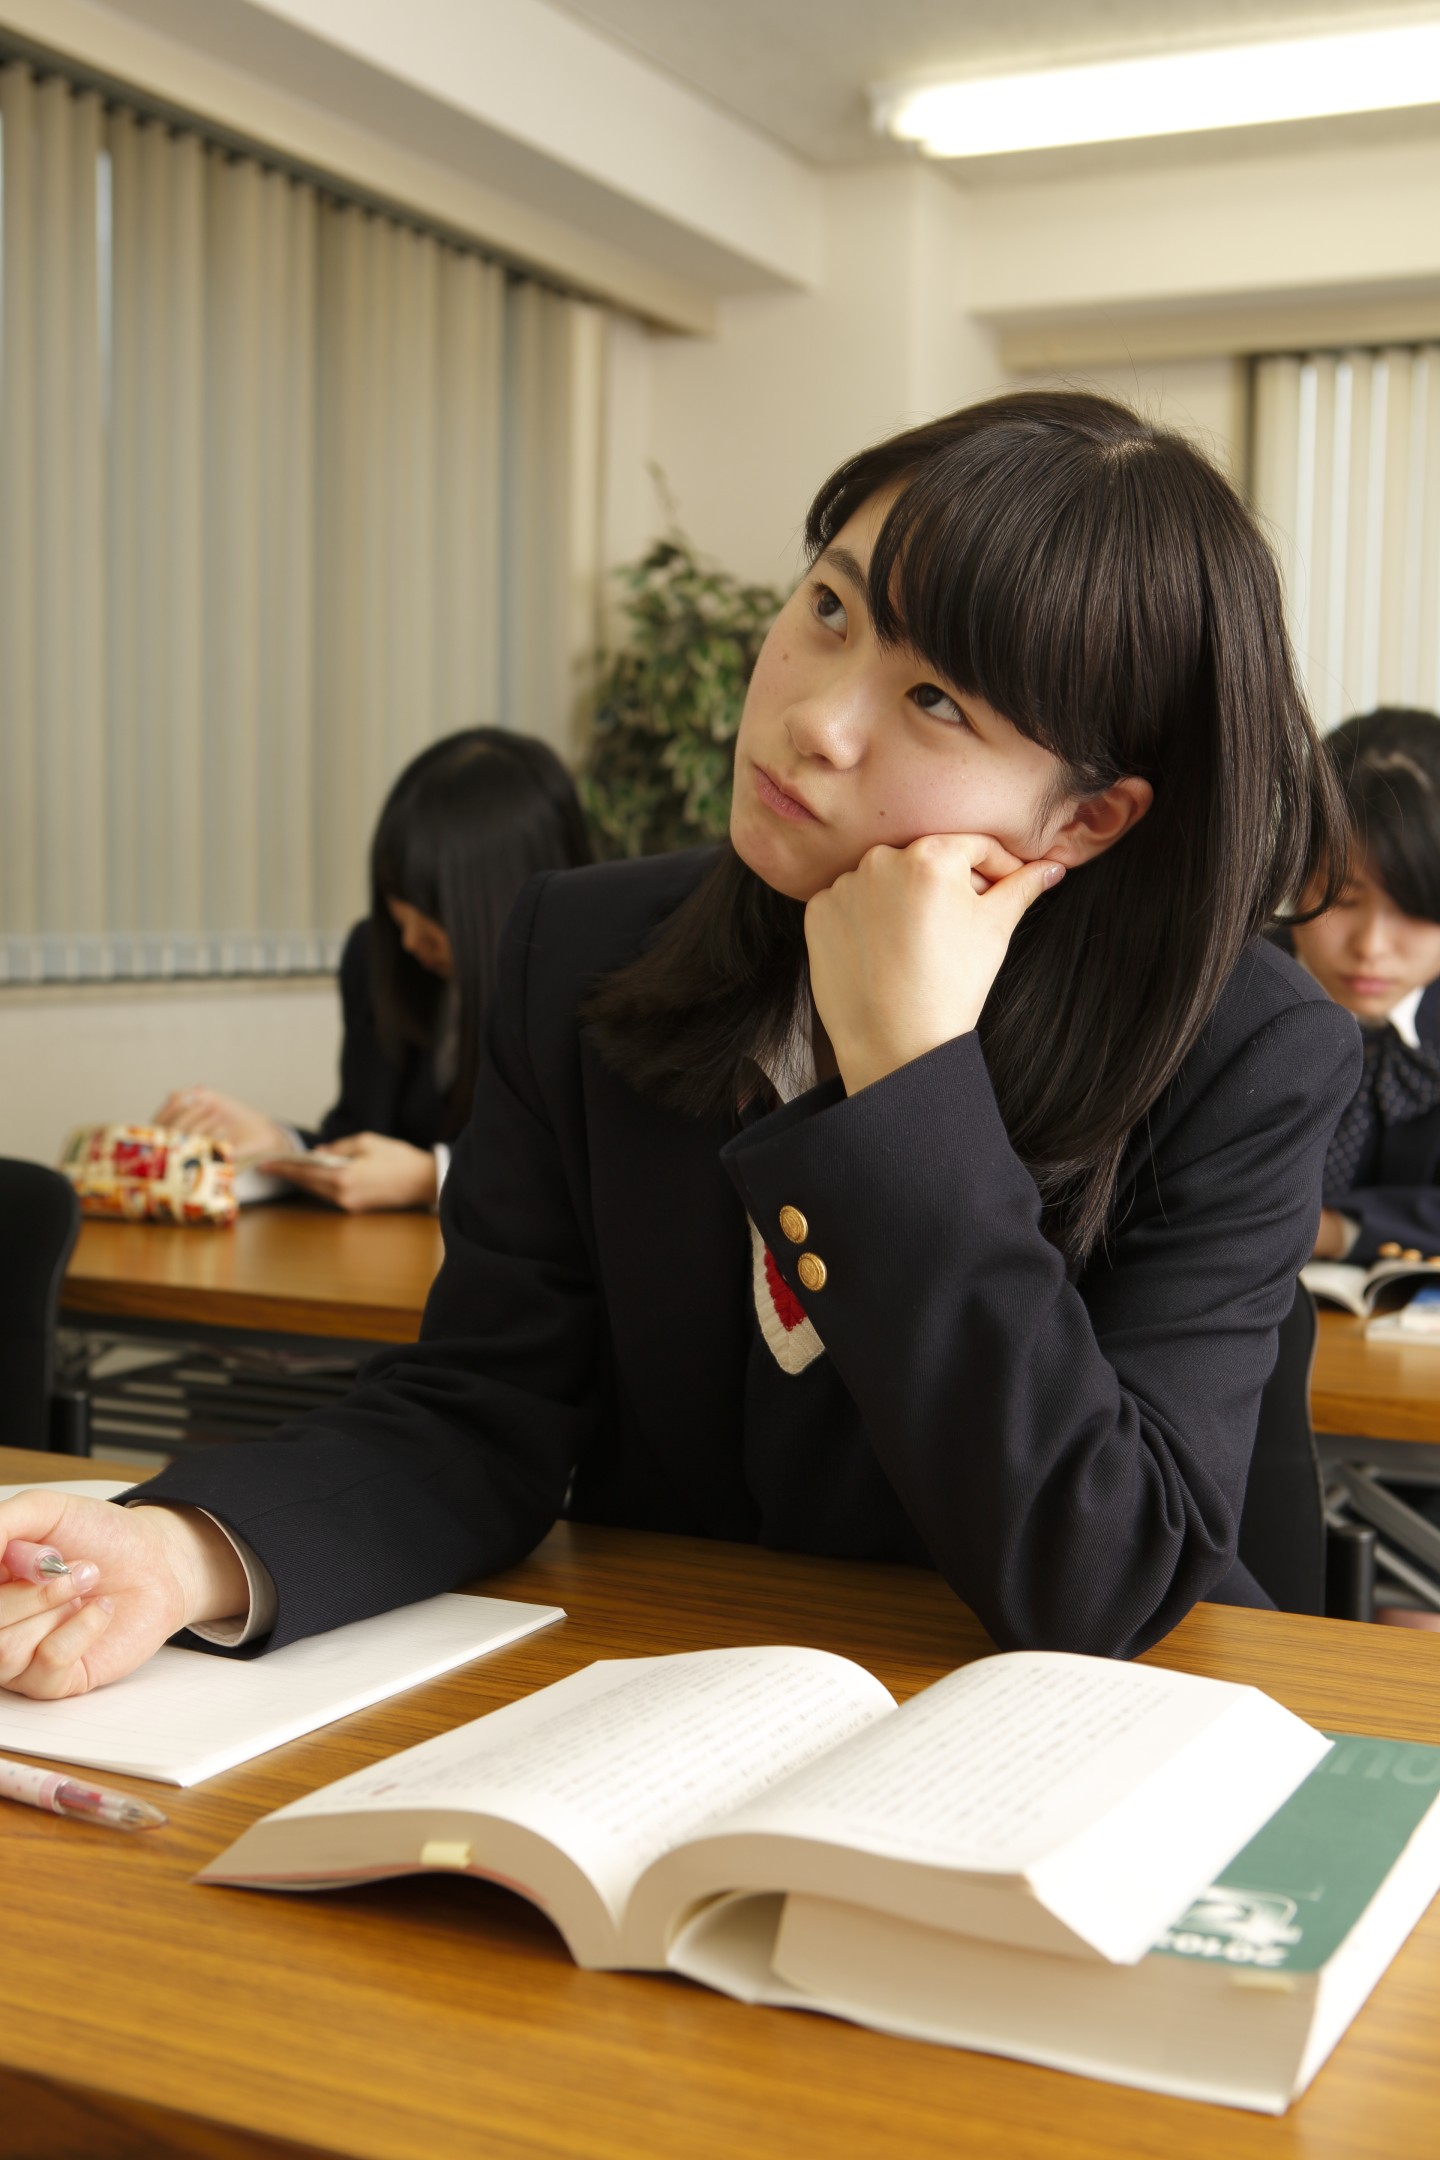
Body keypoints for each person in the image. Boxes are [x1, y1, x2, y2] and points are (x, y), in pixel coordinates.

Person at [0, 390, 1360, 1699]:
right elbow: (483, 1412)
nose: (814, 718)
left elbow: (1102, 1577)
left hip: (1044, 1764)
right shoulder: (579, 947)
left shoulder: (1242, 1049)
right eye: (829, 608)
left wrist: (911, 1081)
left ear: (1084, 822)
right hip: (653, 1703)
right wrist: (186, 1553)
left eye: (938, 701)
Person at [154, 729, 593, 1212]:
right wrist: (279, 1146)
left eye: (431, 913)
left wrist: (434, 1179)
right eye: (398, 902)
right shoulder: (380, 957)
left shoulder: (591, 991)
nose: (408, 939)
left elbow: (582, 1182)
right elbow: (363, 1139)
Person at [1283, 708, 1440, 1263]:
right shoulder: (1213, 993)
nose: (1372, 945)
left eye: (1415, 911)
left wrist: (1328, 1231)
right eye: (1342, 899)